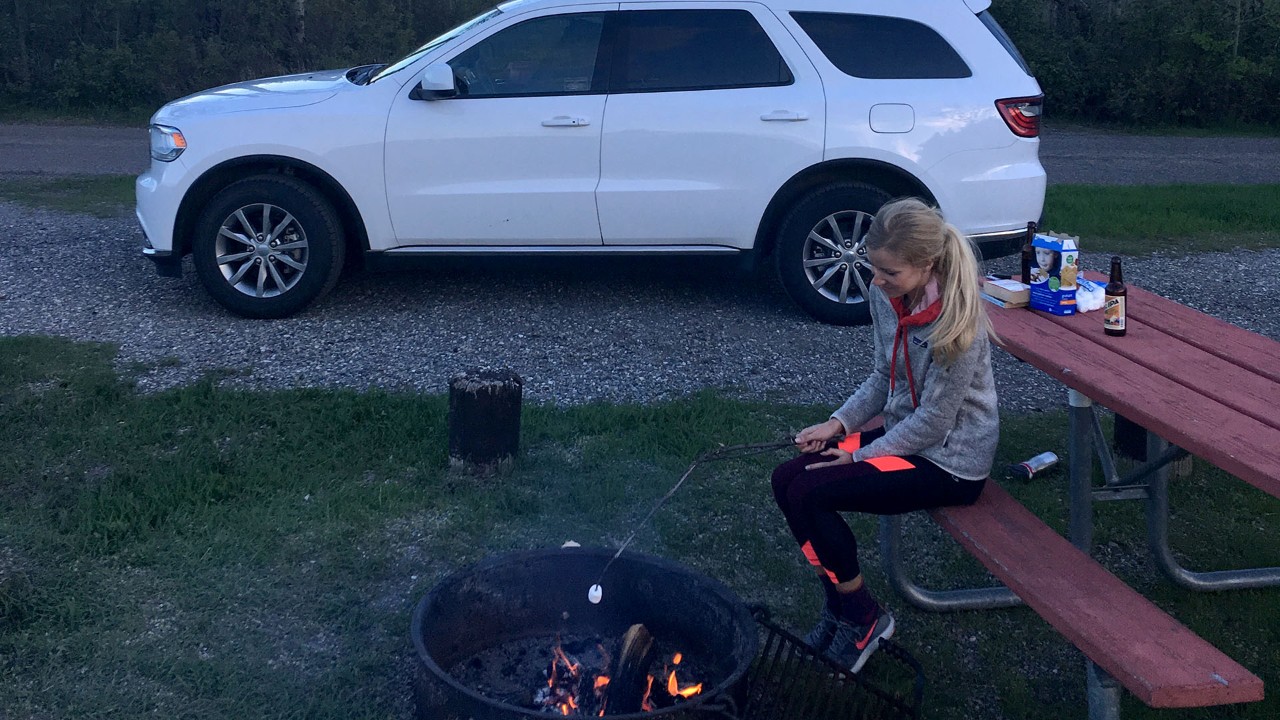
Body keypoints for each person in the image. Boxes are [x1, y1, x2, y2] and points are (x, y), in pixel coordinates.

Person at [771, 197, 999, 673]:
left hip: (949, 463)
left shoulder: (959, 323)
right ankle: (842, 604)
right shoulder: (887, 295)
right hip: (904, 437)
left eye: (888, 272)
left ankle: (864, 619)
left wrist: (859, 456)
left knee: (812, 492)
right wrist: (838, 425)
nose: (875, 280)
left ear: (927, 264)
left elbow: (935, 422)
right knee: (786, 479)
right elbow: (883, 377)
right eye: (873, 267)